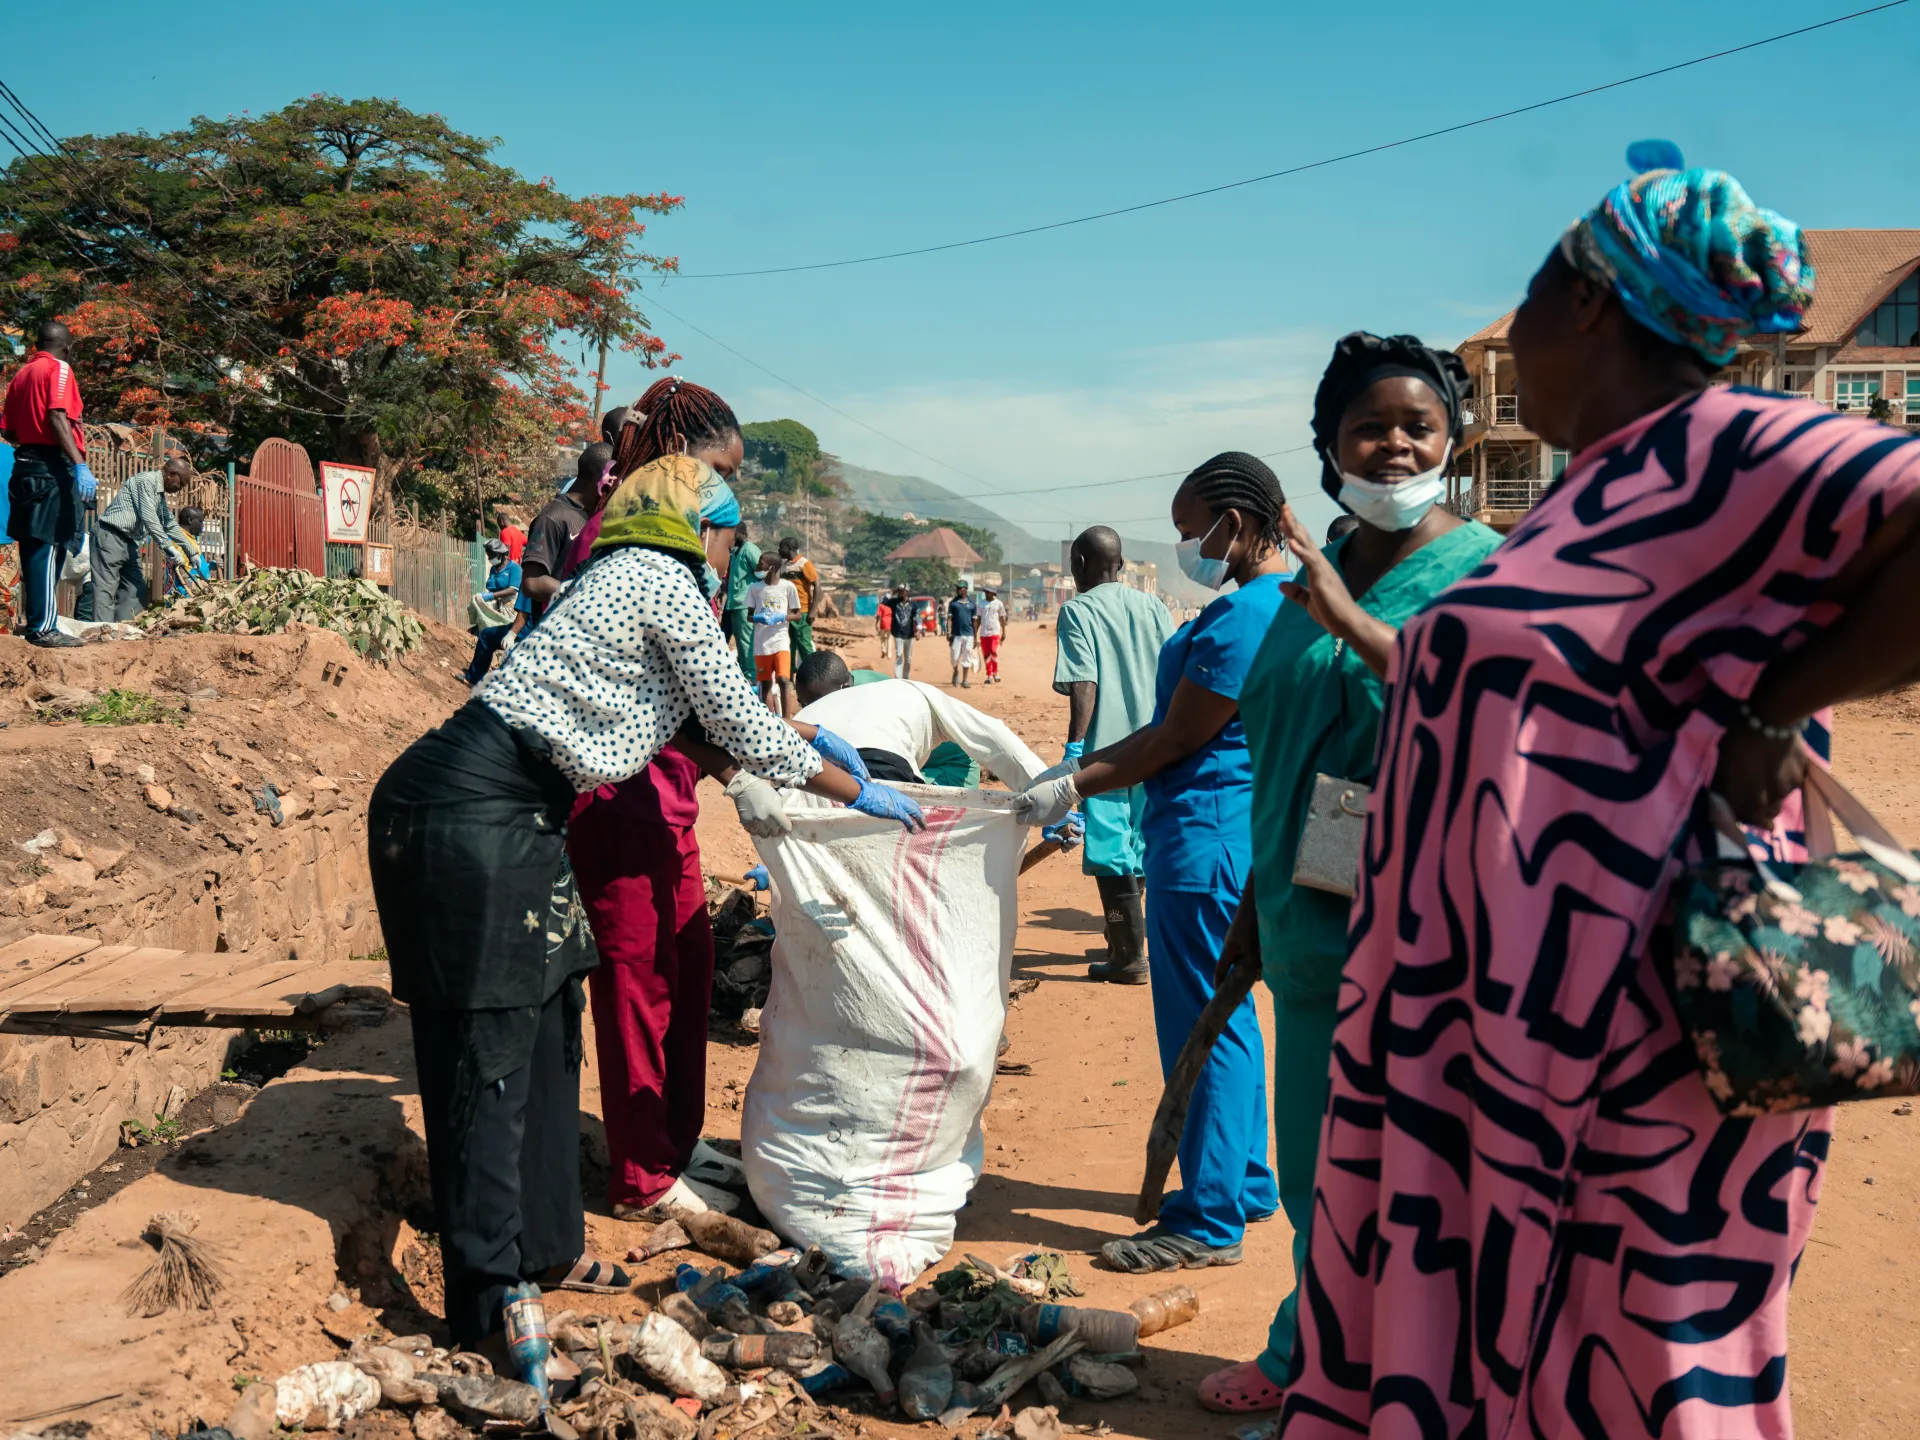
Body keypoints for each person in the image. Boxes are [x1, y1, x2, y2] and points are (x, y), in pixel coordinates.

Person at [1274, 148, 1920, 1439]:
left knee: (1636, 1359)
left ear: (1584, 302)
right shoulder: (1598, 492)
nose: (1509, 343)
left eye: (1522, 302)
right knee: (1491, 1339)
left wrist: (1773, 709)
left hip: (1630, 1033)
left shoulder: (1727, 445)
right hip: (1482, 1023)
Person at [368, 418, 923, 1352]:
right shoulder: (658, 579)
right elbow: (740, 724)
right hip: (467, 811)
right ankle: (488, 1309)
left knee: (552, 1036)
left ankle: (546, 1248)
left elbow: (689, 724)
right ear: (697, 527)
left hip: (524, 814)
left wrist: (812, 746)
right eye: (730, 539)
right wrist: (851, 788)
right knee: (490, 1064)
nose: (733, 560)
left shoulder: (623, 579)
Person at [1192, 336, 1501, 1417]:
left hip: (1437, 934)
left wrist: (1356, 626)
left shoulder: (1492, 571)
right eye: (1371, 427)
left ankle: (1412, 1383)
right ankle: (1312, 1358)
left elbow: (1499, 718)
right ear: (1328, 446)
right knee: (1321, 1169)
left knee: (1429, 1180)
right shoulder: (1302, 583)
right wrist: (1251, 907)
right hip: (1308, 925)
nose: (1396, 445)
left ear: (1454, 440)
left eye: (1419, 425)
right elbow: (1282, 759)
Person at [1019, 457, 1290, 1274]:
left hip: (1206, 837)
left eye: (1189, 530)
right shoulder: (1281, 600)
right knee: (1230, 1015)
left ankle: (1207, 1219)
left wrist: (1074, 781)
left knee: (1205, 1025)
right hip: (1232, 832)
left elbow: (1175, 737)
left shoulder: (1242, 616)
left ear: (1234, 525)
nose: (1185, 547)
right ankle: (1242, 1181)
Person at [561, 377, 768, 1218]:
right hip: (619, 794)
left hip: (667, 793)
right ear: (682, 459)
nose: (728, 489)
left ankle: (676, 1143)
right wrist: (751, 766)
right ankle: (642, 1176)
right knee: (638, 983)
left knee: (687, 966)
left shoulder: (686, 544)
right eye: (722, 469)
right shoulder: (623, 542)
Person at [1047, 526, 1176, 983]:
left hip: (1108, 755)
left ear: (1079, 564)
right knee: (1140, 841)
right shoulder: (1154, 606)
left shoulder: (1078, 610)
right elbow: (1174, 670)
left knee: (1110, 846)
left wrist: (1075, 748)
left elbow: (1084, 682)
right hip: (1158, 746)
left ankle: (1128, 956)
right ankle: (1127, 941)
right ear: (1119, 565)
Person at [795, 649, 1046, 787]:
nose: (816, 709)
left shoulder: (905, 694)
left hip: (950, 766)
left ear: (845, 687)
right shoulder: (812, 713)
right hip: (899, 759)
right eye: (804, 704)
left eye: (818, 702)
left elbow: (990, 735)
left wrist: (1048, 793)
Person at [1, 321, 96, 648]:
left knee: (34, 547)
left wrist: (33, 433)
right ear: (67, 346)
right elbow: (57, 415)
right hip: (51, 468)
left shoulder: (20, 375)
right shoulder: (59, 369)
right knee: (49, 545)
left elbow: (8, 431)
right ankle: (43, 628)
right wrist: (79, 463)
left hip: (25, 467)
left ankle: (39, 623)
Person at [90, 456, 208, 622]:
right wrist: (169, 547)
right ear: (171, 474)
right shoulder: (145, 481)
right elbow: (149, 517)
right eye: (181, 483)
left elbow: (169, 524)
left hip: (129, 542)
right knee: (106, 590)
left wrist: (191, 552)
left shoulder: (159, 496)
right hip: (110, 535)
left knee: (135, 590)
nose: (180, 489)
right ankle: (103, 632)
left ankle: (125, 632)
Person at [520, 442, 613, 619]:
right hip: (556, 628)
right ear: (602, 479)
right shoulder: (552, 517)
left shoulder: (593, 517)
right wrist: (587, 594)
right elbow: (532, 582)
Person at [463, 538, 528, 686]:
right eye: (488, 555)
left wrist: (491, 596)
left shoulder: (514, 568)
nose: (489, 558)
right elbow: (491, 585)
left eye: (491, 555)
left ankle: (478, 676)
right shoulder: (494, 569)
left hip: (511, 605)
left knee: (494, 637)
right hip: (497, 602)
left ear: (500, 554)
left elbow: (513, 589)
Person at [749, 550, 801, 716]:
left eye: (761, 563)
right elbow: (749, 616)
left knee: (784, 680)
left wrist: (782, 617)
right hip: (761, 644)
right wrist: (758, 618)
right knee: (765, 684)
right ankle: (770, 718)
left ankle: (787, 719)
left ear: (771, 567)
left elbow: (797, 614)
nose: (758, 566)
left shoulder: (788, 587)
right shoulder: (755, 588)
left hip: (781, 640)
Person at [723, 520, 761, 682]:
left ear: (742, 534)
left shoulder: (750, 550)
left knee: (746, 642)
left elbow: (763, 573)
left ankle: (751, 676)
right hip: (733, 603)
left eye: (734, 534)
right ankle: (743, 673)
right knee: (736, 642)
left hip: (745, 604)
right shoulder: (736, 552)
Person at [779, 536, 819, 661]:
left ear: (789, 548)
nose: (779, 550)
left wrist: (813, 611)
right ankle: (790, 672)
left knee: (804, 644)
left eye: (781, 547)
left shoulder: (804, 564)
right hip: (787, 612)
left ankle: (813, 670)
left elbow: (817, 586)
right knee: (789, 646)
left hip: (803, 611)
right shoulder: (783, 566)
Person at [947, 582, 979, 688]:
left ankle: (965, 680)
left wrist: (975, 637)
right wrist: (948, 632)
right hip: (956, 635)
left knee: (967, 656)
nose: (958, 590)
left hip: (969, 634)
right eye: (957, 588)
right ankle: (955, 671)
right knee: (954, 658)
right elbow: (949, 619)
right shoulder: (953, 603)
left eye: (960, 588)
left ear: (965, 589)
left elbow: (974, 621)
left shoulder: (972, 604)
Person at [888, 584, 920, 678]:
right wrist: (893, 592)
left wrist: (918, 630)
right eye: (900, 591)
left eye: (903, 591)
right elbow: (883, 601)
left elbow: (918, 617)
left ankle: (906, 678)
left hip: (910, 635)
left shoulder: (913, 604)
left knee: (908, 659)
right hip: (898, 634)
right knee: (899, 656)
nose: (901, 592)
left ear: (907, 592)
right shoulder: (894, 603)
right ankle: (898, 679)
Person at [977, 584, 1007, 684]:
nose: (986, 594)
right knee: (986, 654)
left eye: (988, 592)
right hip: (984, 633)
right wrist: (975, 633)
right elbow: (978, 619)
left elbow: (1002, 618)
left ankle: (995, 673)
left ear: (993, 593)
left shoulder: (999, 604)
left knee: (993, 651)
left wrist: (1004, 632)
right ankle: (989, 675)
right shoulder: (981, 604)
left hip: (995, 632)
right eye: (986, 592)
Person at [876, 593, 894, 662]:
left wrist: (876, 623)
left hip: (883, 623)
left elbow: (878, 616)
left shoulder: (881, 606)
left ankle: (883, 650)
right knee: (890, 639)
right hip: (891, 623)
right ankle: (889, 655)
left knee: (882, 638)